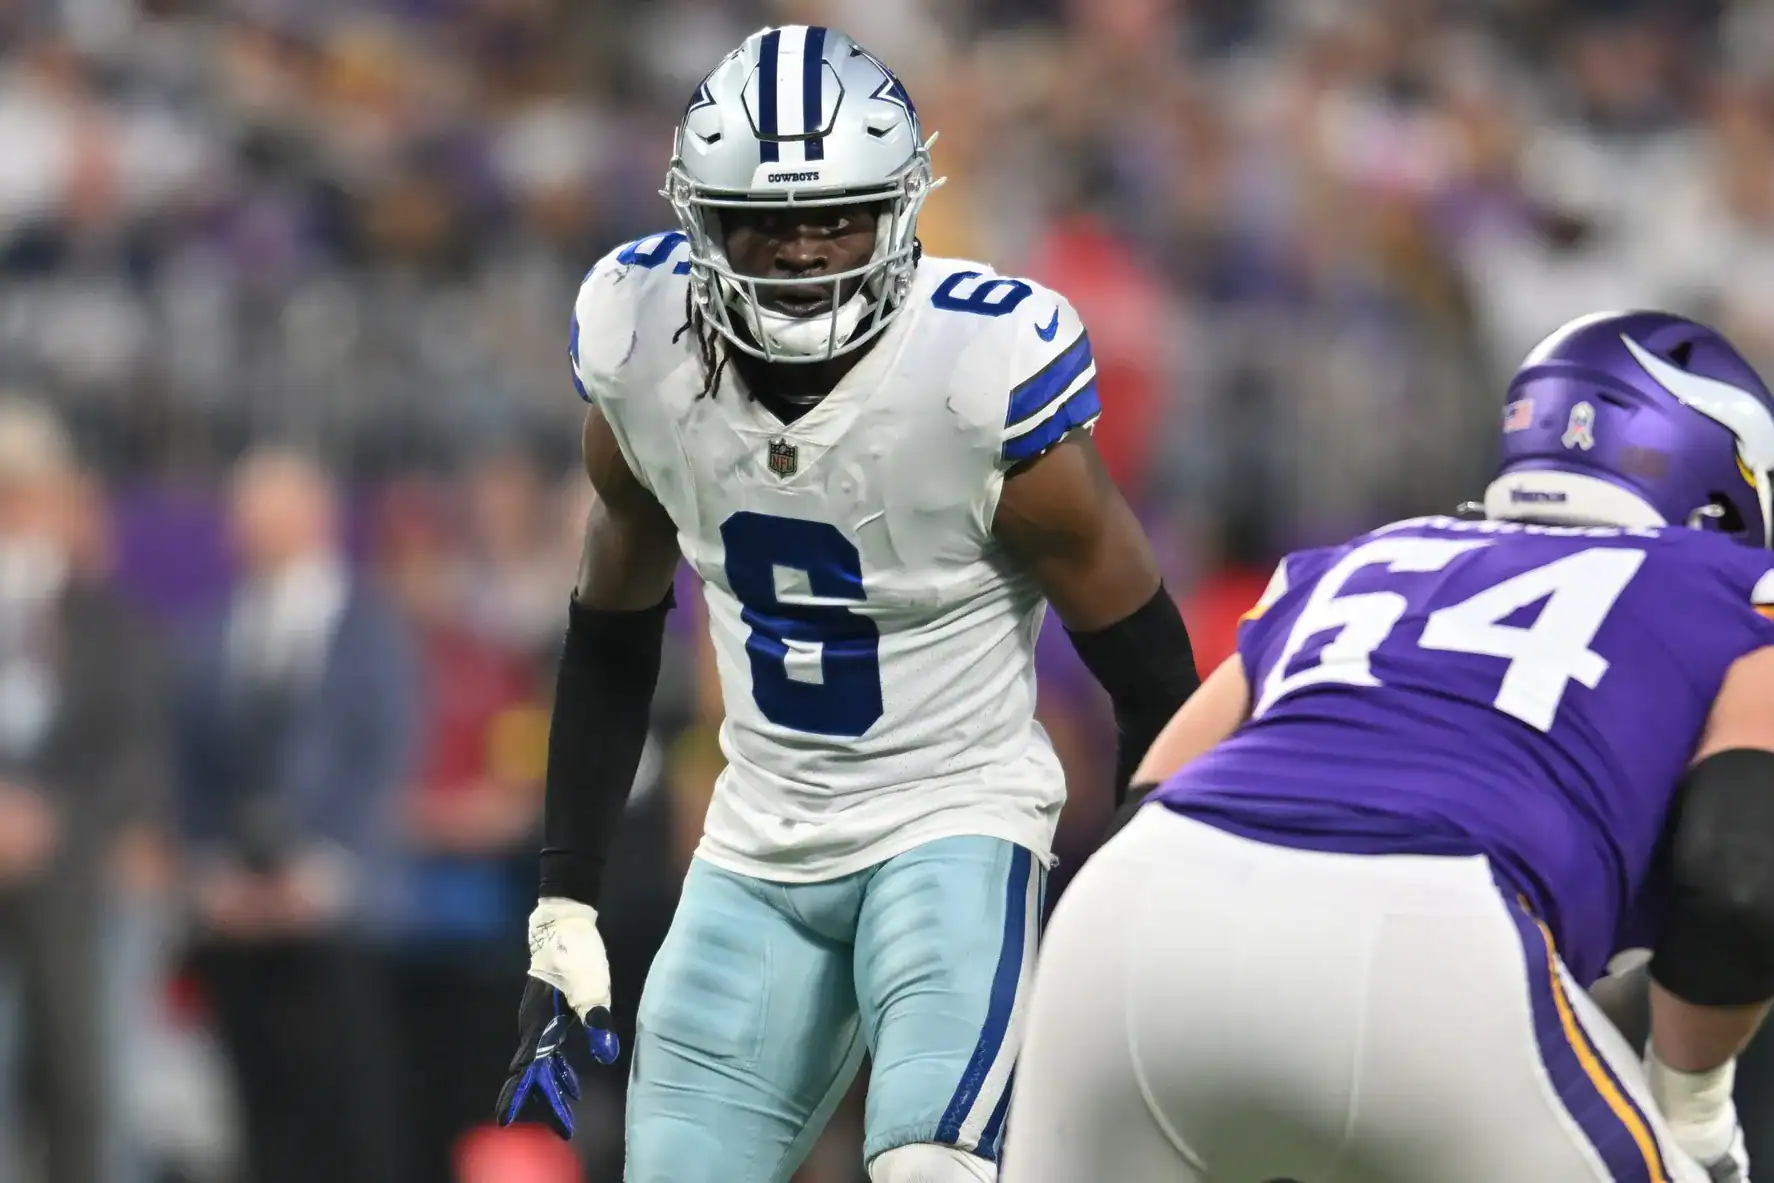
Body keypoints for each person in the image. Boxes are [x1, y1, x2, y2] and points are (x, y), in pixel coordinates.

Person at [495, 24, 1200, 1183]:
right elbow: (610, 633)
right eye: (765, 221)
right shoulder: (641, 347)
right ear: (700, 219)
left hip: (953, 822)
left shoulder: (975, 372)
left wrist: (1158, 895)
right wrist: (564, 906)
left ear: (902, 209)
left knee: (933, 1166)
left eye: (836, 218)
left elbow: (1152, 670)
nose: (803, 251)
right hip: (755, 843)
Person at [1003, 309, 1774, 1183]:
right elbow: (1740, 883)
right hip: (1428, 937)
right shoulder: (1740, 590)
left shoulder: (1357, 558)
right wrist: (1694, 1108)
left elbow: (1150, 796)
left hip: (1127, 920)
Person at [175, 448, 417, 1183]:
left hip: (343, 915)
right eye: (247, 516)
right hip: (236, 915)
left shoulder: (372, 628)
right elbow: (191, 765)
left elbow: (383, 756)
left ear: (318, 519)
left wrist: (323, 873)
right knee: (256, 1117)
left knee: (347, 1116)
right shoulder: (213, 633)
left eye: (273, 514)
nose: (255, 530)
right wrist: (214, 873)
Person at [0, 399, 170, 1183]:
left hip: (74, 885)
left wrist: (53, 819)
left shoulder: (108, 621)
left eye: (25, 493)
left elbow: (131, 749)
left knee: (83, 1086)